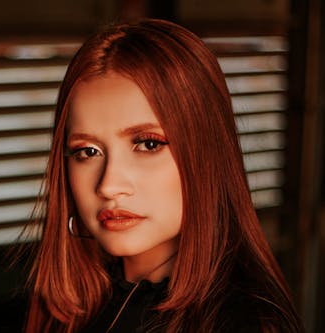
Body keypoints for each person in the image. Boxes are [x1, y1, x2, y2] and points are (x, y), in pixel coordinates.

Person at [21, 19, 303, 332]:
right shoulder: (69, 308)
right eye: (87, 152)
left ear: (205, 152)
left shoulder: (244, 323)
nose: (109, 185)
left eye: (148, 144)